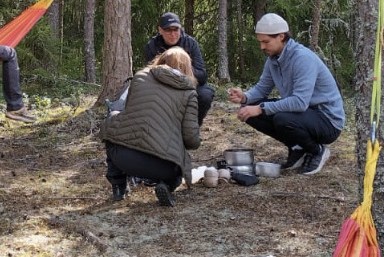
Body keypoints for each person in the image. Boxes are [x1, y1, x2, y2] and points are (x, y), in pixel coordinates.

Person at [228, 13, 344, 176]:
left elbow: (299, 102)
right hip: (304, 115)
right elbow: (262, 89)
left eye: (266, 41)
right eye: (260, 42)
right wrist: (244, 97)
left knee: (281, 118)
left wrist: (261, 108)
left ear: (281, 36)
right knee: (248, 110)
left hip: (328, 121)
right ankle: (298, 148)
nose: (262, 47)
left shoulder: (302, 58)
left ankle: (316, 151)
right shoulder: (273, 60)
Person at [100, 47, 201, 207]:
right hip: (162, 167)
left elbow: (128, 112)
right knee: (177, 169)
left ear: (160, 61)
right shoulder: (189, 93)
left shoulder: (139, 78)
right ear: (187, 69)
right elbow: (191, 138)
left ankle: (118, 186)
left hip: (123, 158)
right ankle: (166, 185)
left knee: (112, 121)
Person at [144, 12, 214, 127]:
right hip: (163, 87)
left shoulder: (190, 43)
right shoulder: (152, 46)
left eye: (176, 30)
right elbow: (150, 74)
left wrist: (181, 69)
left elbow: (202, 75)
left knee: (206, 94)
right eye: (168, 30)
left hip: (189, 85)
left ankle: (193, 127)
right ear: (160, 30)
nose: (173, 34)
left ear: (180, 29)